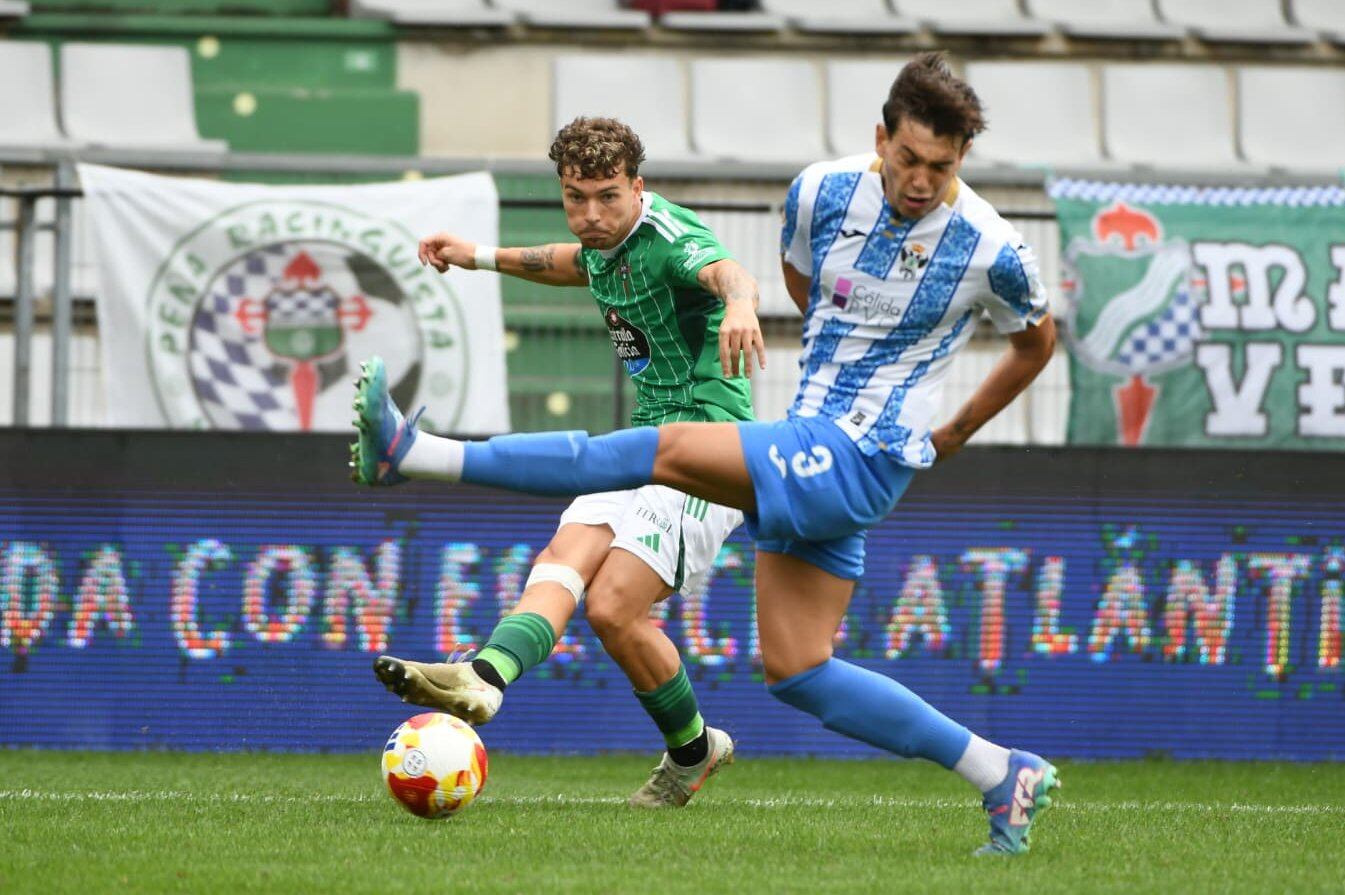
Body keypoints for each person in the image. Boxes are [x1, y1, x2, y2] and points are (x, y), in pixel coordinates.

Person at [353, 53, 1060, 855]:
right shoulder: (821, 192)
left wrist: (952, 431)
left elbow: (1035, 342)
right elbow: (801, 277)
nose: (922, 180)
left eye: (942, 165)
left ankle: (412, 450)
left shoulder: (991, 246)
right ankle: (1001, 772)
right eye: (908, 158)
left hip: (860, 452)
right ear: (880, 139)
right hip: (808, 434)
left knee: (635, 454)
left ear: (962, 158)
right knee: (799, 671)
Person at [369, 116, 767, 808]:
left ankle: (691, 750)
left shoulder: (668, 239)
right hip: (645, 440)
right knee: (566, 555)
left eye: (608, 196)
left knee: (613, 607)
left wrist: (740, 303)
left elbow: (724, 270)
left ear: (638, 187)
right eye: (575, 197)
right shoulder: (603, 245)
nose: (590, 215)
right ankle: (485, 676)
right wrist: (476, 255)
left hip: (707, 449)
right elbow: (569, 262)